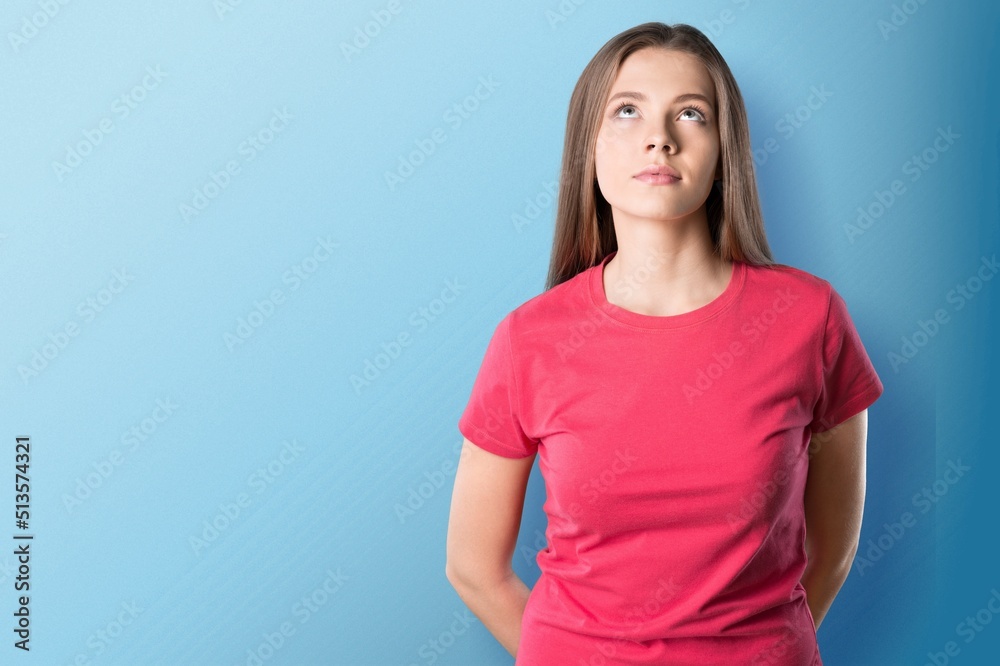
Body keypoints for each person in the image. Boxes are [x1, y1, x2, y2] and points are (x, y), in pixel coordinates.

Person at [445, 21, 884, 666]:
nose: (660, 137)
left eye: (691, 114)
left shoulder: (809, 319)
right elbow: (473, 567)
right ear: (587, 149)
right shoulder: (528, 340)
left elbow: (832, 551)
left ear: (723, 147)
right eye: (627, 111)